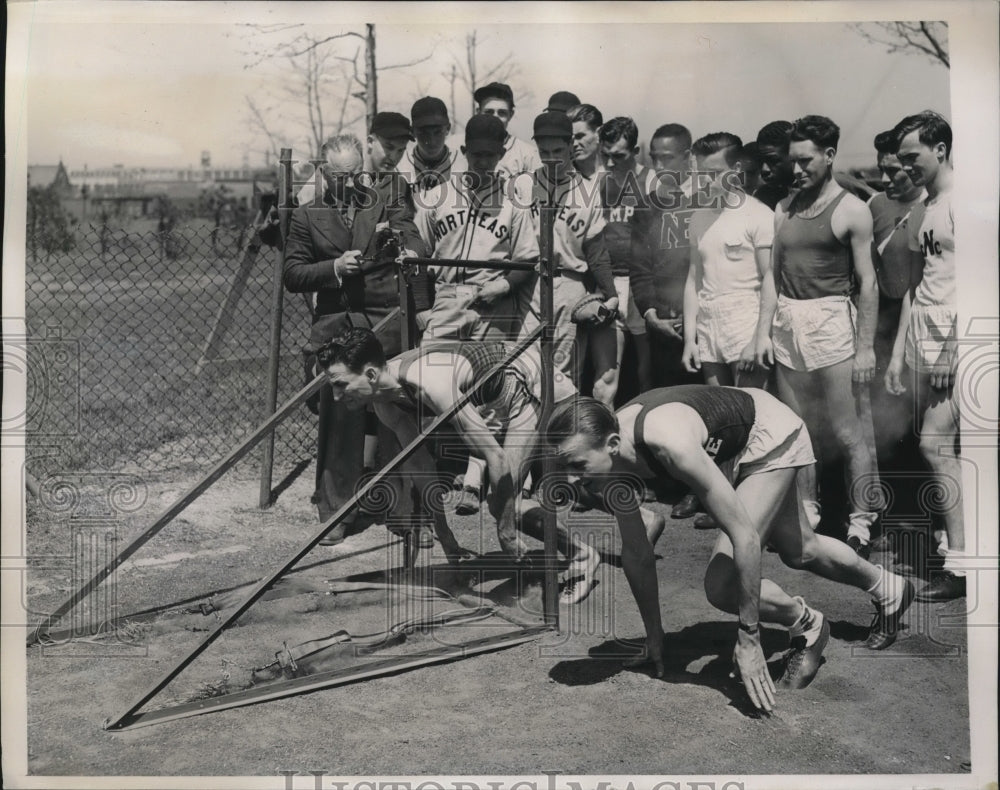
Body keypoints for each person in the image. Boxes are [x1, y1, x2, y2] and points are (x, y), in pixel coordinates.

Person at [544, 388, 915, 712]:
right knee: (800, 550)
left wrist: (750, 637)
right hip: (733, 439)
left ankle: (808, 625)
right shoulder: (609, 465)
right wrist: (653, 636)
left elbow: (746, 539)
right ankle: (891, 589)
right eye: (564, 466)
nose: (572, 478)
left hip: (767, 435)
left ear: (611, 444)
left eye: (577, 465)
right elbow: (637, 552)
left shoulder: (668, 445)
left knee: (722, 586)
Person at [316, 328, 642, 603]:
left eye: (340, 384)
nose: (335, 396)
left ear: (371, 374)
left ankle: (585, 552)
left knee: (511, 502)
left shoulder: (432, 382)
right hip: (496, 399)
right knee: (506, 500)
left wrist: (506, 531)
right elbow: (422, 470)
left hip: (526, 380)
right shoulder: (385, 404)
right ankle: (642, 518)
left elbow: (494, 457)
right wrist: (447, 540)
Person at [283, 129, 427, 542]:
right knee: (340, 415)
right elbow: (293, 274)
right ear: (323, 171)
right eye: (338, 177)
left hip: (384, 321)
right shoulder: (306, 214)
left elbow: (409, 230)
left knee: (395, 417)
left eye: (354, 174)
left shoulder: (387, 195)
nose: (347, 184)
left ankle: (406, 511)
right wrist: (332, 270)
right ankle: (337, 510)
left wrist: (410, 248)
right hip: (335, 330)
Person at [765, 115, 883, 557]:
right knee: (797, 431)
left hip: (833, 322)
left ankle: (861, 522)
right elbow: (771, 279)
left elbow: (867, 282)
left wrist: (866, 346)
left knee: (849, 432)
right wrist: (764, 331)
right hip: (788, 322)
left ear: (829, 155)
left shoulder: (852, 209)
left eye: (806, 161)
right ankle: (806, 514)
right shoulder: (784, 209)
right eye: (792, 162)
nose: (796, 170)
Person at [413, 114, 540, 514]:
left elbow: (528, 259)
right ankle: (430, 474)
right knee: (430, 385)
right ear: (464, 152)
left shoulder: (515, 203)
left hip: (494, 297)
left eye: (492, 155)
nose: (484, 162)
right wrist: (421, 305)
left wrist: (503, 285)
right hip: (448, 297)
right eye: (477, 154)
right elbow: (417, 251)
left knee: (487, 390)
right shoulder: (436, 196)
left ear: (503, 154)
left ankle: (473, 478)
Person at [886, 111, 965, 601]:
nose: (906, 166)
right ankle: (952, 546)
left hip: (959, 341)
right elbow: (915, 287)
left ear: (939, 148)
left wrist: (951, 351)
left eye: (913, 156)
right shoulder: (926, 207)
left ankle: (960, 566)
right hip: (925, 337)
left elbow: (983, 282)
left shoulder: (963, 203)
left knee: (936, 447)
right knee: (941, 450)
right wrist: (898, 355)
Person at [517, 111, 619, 392]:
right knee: (524, 367)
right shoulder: (522, 185)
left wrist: (611, 294)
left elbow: (596, 250)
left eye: (558, 151)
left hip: (569, 283)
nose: (551, 158)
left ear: (571, 144)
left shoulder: (587, 191)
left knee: (562, 373)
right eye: (544, 151)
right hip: (528, 283)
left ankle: (556, 434)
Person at [683, 132, 774, 391]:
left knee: (753, 411)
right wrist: (691, 339)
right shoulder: (698, 218)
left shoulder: (758, 215)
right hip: (709, 325)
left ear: (735, 169)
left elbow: (771, 278)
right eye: (702, 173)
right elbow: (693, 280)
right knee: (721, 413)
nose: (707, 181)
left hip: (746, 321)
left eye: (714, 173)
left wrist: (758, 337)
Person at [867, 129, 926, 518]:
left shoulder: (928, 207)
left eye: (894, 172)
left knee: (920, 423)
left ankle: (928, 515)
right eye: (881, 170)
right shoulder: (874, 204)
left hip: (921, 319)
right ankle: (896, 509)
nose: (887, 180)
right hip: (882, 321)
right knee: (884, 420)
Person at [596, 116, 657, 403]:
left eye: (618, 157)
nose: (610, 163)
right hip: (609, 282)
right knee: (607, 375)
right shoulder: (598, 182)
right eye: (604, 155)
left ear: (635, 151)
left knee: (647, 368)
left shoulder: (652, 182)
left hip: (640, 283)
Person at [473, 82, 542, 179]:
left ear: (511, 114)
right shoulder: (462, 151)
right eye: (489, 112)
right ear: (478, 112)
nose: (495, 118)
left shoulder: (528, 154)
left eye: (502, 113)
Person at [398, 96, 467, 192]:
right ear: (412, 131)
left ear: (447, 129)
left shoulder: (463, 164)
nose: (432, 140)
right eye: (424, 133)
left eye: (438, 132)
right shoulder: (400, 166)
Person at [649, 123, 693, 197]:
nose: (658, 167)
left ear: (686, 156)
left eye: (666, 158)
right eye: (654, 158)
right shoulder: (648, 201)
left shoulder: (708, 196)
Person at [567, 104, 605, 182]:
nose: (574, 144)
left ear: (599, 134)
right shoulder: (562, 177)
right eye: (569, 138)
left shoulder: (617, 172)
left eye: (580, 136)